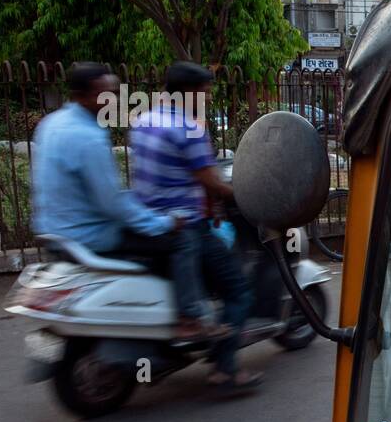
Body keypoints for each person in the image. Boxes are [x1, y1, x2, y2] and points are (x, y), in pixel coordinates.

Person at [31, 63, 218, 342]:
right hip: (91, 234)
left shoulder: (51, 123)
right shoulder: (89, 137)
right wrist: (163, 223)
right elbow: (112, 203)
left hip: (54, 230)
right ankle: (190, 319)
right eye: (103, 94)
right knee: (182, 240)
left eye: (114, 93)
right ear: (82, 96)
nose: (112, 100)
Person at [131, 62, 261, 394]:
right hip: (184, 226)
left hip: (148, 223)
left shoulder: (145, 119)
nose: (207, 98)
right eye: (204, 92)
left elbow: (182, 173)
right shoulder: (188, 127)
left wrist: (213, 202)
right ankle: (225, 371)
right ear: (188, 93)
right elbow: (210, 179)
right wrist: (245, 194)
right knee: (238, 290)